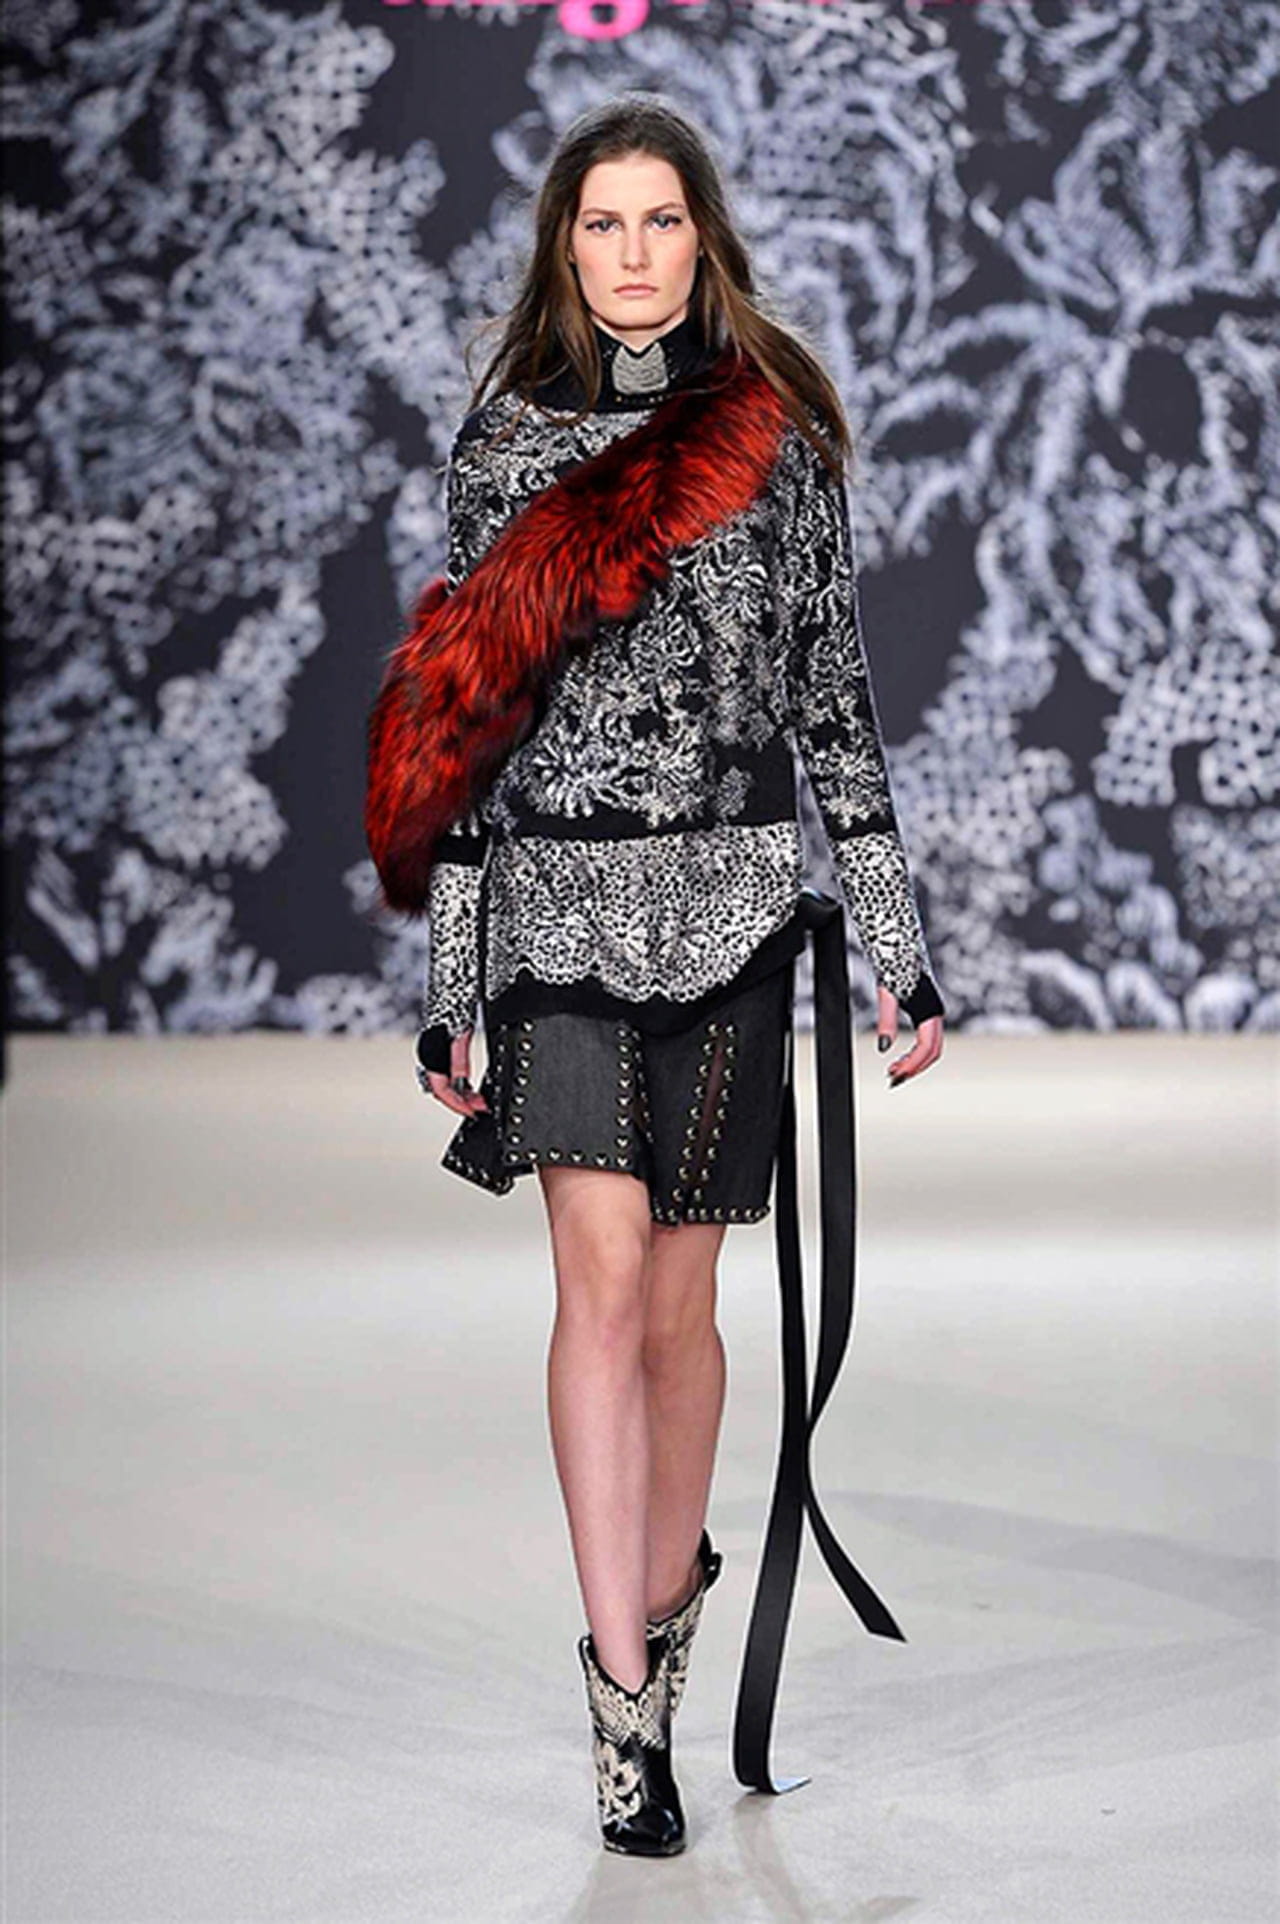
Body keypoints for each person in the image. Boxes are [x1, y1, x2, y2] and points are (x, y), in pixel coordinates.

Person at [365, 94, 945, 1858]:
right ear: (566, 245)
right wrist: (453, 978)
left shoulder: (776, 440)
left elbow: (834, 700)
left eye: (661, 221)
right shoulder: (506, 453)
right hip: (554, 917)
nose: (632, 253)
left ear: (705, 240)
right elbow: (467, 723)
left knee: (684, 1312)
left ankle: (669, 1605)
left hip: (734, 911)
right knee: (600, 1290)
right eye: (602, 223)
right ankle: (624, 1704)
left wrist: (900, 948)